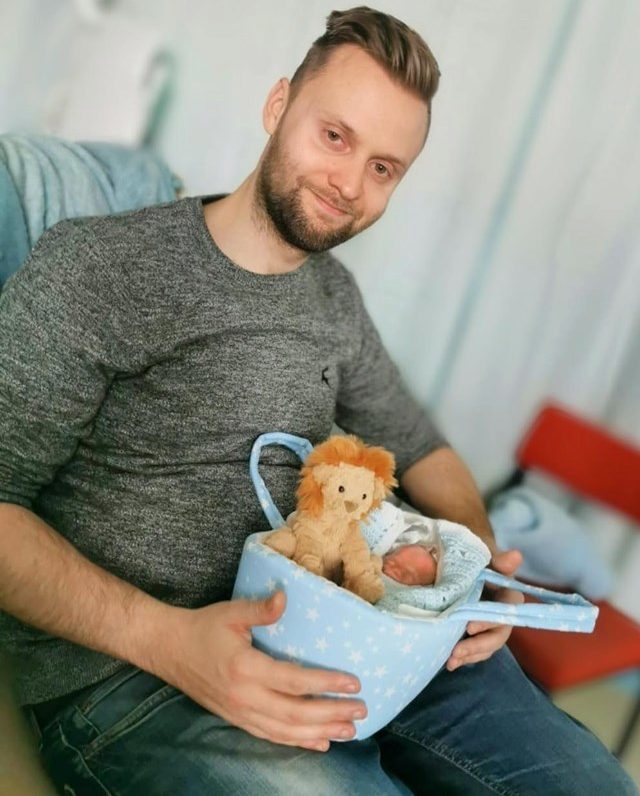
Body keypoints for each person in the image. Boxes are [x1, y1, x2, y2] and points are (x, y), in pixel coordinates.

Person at [0, 6, 636, 795]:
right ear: (277, 107)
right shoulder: (103, 268)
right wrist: (164, 640)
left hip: (356, 626)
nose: (349, 183)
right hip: (136, 678)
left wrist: (465, 570)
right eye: (335, 137)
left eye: (384, 168)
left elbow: (424, 448)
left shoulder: (333, 299)